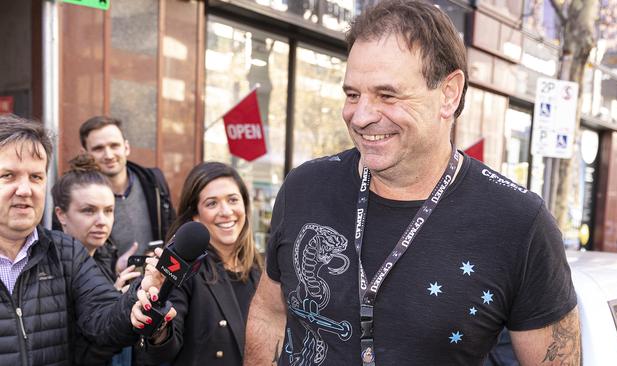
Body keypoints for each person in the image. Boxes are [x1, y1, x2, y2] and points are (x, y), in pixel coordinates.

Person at [243, 1, 580, 365]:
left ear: (449, 93)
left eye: (387, 95)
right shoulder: (304, 187)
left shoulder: (518, 222)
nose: (361, 116)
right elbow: (269, 312)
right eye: (352, 94)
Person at [0, 114, 156, 365]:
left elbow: (105, 321)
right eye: (8, 176)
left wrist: (141, 294)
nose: (25, 190)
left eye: (36, 177)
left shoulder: (65, 252)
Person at [131, 162, 264, 366]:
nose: (226, 211)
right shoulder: (183, 269)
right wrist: (158, 319)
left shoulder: (261, 267)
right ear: (195, 216)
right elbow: (162, 349)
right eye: (212, 203)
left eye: (233, 200)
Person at [52, 153, 143, 366]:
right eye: (88, 210)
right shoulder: (51, 269)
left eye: (108, 211)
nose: (102, 221)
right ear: (61, 215)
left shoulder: (103, 259)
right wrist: (115, 306)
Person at [79, 116, 175, 257]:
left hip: (159, 275)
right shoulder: (77, 196)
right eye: (98, 148)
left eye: (114, 146)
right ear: (85, 154)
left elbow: (172, 228)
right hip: (107, 278)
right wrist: (113, 269)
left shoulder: (154, 181)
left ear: (126, 147)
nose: (109, 155)